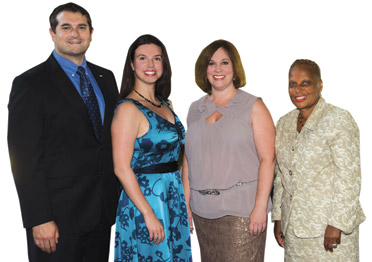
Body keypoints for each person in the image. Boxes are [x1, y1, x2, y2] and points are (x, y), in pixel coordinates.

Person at [7, 3, 120, 261]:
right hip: (56, 220)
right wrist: (39, 218)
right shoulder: (30, 84)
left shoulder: (106, 78)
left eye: (82, 27)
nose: (75, 34)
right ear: (52, 33)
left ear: (91, 32)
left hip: (102, 212)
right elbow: (24, 158)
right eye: (66, 27)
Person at [182, 40, 275, 261]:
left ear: (235, 68)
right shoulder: (195, 109)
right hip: (202, 212)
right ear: (204, 70)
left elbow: (268, 159)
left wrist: (260, 207)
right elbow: (188, 161)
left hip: (242, 213)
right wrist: (185, 205)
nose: (218, 69)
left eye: (224, 62)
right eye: (211, 63)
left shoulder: (253, 106)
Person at [272, 59, 365, 261]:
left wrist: (337, 223)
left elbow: (348, 177)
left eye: (305, 83)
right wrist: (278, 216)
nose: (298, 90)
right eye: (292, 84)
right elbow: (280, 174)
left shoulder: (338, 119)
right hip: (294, 232)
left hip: (328, 231)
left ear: (320, 85)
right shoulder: (284, 123)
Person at [112, 34, 192, 262]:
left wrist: (183, 202)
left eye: (157, 58)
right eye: (143, 58)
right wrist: (148, 213)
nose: (150, 65)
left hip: (171, 195)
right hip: (145, 200)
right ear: (131, 64)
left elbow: (180, 156)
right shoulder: (127, 109)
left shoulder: (166, 103)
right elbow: (121, 168)